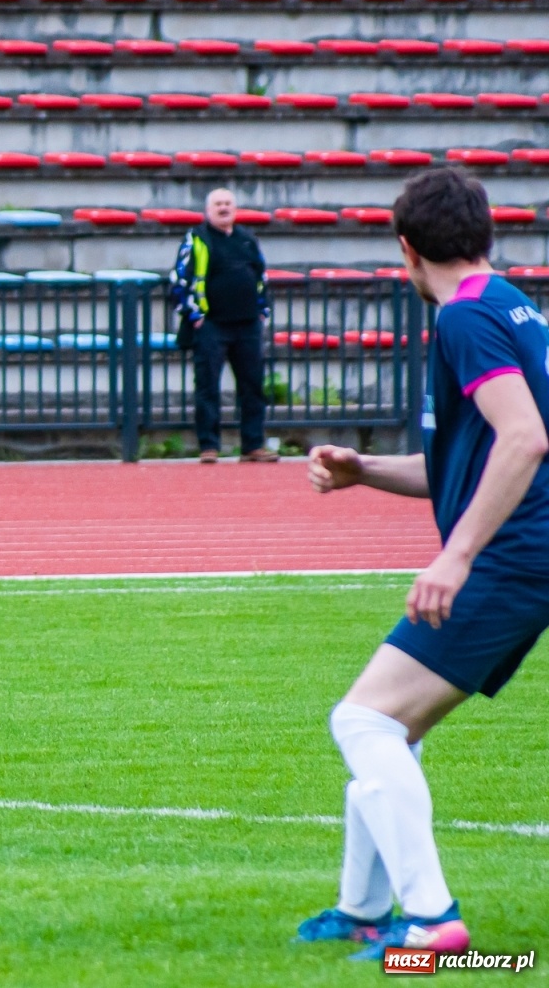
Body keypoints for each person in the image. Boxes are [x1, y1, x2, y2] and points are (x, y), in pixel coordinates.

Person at [298, 169, 549, 961]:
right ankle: (363, 909)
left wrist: (456, 556)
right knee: (392, 725)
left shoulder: (465, 318)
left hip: (514, 554)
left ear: (405, 249)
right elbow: (476, 461)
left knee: (364, 721)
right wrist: (366, 470)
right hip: (528, 551)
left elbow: (524, 439)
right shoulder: (508, 303)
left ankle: (433, 923)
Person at [170, 188, 277, 464]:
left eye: (228, 203)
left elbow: (261, 276)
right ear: (208, 210)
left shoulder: (247, 239)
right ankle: (209, 445)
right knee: (208, 386)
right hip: (212, 325)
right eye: (218, 204)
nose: (223, 208)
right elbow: (180, 279)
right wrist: (195, 315)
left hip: (247, 324)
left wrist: (262, 310)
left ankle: (253, 445)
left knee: (253, 385)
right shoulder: (197, 239)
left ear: (235, 208)